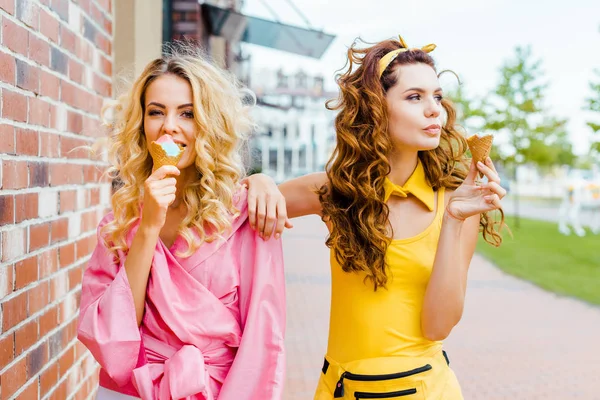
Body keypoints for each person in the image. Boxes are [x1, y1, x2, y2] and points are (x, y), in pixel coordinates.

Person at [246, 35, 506, 399]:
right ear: (375, 107)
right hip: (340, 388)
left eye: (437, 96)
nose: (434, 109)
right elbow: (223, 210)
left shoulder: (456, 203)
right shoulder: (334, 191)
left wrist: (452, 220)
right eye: (415, 97)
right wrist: (258, 181)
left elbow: (438, 325)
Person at [77, 45, 288, 400]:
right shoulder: (119, 223)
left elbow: (263, 341)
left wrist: (263, 180)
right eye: (156, 112)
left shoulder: (243, 214)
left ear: (209, 123)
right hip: (131, 391)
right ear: (142, 124)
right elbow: (112, 335)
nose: (169, 127)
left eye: (187, 113)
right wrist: (147, 227)